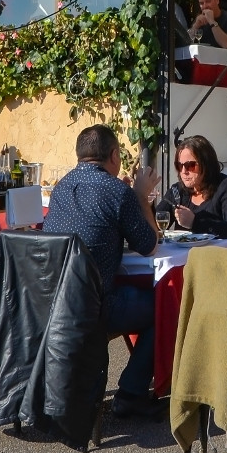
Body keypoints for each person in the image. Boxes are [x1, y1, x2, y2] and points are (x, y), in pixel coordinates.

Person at [39, 124, 160, 416]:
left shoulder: (60, 189)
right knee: (166, 308)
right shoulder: (118, 192)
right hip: (94, 308)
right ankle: (131, 393)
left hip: (49, 304)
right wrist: (141, 196)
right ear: (115, 155)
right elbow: (148, 245)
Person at [155, 135, 227, 239]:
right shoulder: (177, 191)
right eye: (179, 165)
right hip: (184, 254)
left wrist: (195, 222)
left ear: (206, 164)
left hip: (215, 253)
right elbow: (155, 224)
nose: (184, 171)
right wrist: (146, 203)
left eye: (190, 165)